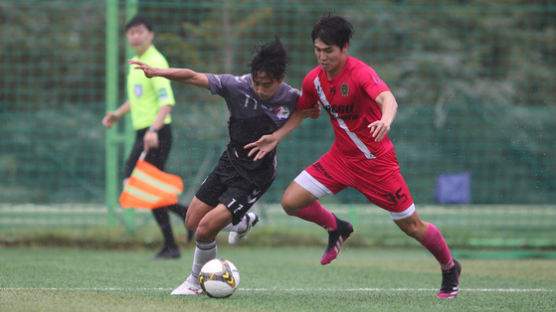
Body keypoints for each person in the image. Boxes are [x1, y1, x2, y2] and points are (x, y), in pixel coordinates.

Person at [246, 15, 462, 299]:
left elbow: (388, 98)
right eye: (318, 50)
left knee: (412, 226)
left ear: (344, 47)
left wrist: (386, 120)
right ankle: (337, 228)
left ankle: (449, 268)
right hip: (341, 159)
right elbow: (303, 110)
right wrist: (277, 135)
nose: (322, 57)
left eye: (329, 50)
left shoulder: (360, 73)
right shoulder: (314, 80)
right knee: (291, 202)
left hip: (377, 165)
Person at [129, 38, 321, 295]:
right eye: (257, 83)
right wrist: (159, 72)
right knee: (192, 222)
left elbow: (308, 110)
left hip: (256, 175)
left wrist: (277, 136)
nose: (261, 90)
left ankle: (195, 283)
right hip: (229, 162)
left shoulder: (291, 96)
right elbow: (193, 77)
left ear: (281, 79)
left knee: (206, 229)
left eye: (268, 85)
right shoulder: (236, 86)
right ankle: (242, 222)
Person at [102, 15, 193, 259]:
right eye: (131, 33)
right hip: (145, 133)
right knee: (144, 185)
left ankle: (178, 231)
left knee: (136, 180)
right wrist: (117, 115)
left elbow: (167, 103)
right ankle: (180, 224)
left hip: (157, 133)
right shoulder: (138, 63)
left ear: (151, 35)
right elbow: (137, 99)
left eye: (140, 31)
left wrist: (153, 131)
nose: (135, 36)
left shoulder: (155, 61)